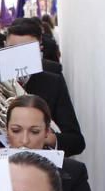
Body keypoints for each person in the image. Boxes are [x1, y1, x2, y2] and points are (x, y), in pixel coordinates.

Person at [5, 19, 85, 155]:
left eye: (26, 50)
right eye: (12, 49)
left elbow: (76, 141)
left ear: (39, 48)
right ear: (4, 46)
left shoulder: (53, 82)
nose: (18, 56)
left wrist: (41, 136)